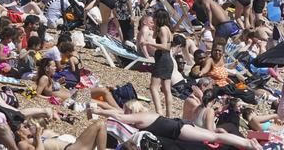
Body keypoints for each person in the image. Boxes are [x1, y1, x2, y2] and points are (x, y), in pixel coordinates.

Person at [93, 101, 263, 150]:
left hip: (180, 129)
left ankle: (248, 144)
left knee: (214, 136)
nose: (125, 113)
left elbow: (117, 115)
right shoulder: (143, 117)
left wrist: (97, 111)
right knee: (214, 136)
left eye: (127, 110)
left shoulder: (140, 117)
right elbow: (117, 112)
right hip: (179, 129)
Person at [144, 9, 174, 117]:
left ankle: (159, 112)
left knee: (153, 87)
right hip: (168, 60)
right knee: (166, 89)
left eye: (155, 18)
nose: (154, 20)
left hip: (162, 59)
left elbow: (165, 46)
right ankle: (169, 114)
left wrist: (149, 43)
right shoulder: (168, 29)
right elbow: (155, 37)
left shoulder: (162, 29)